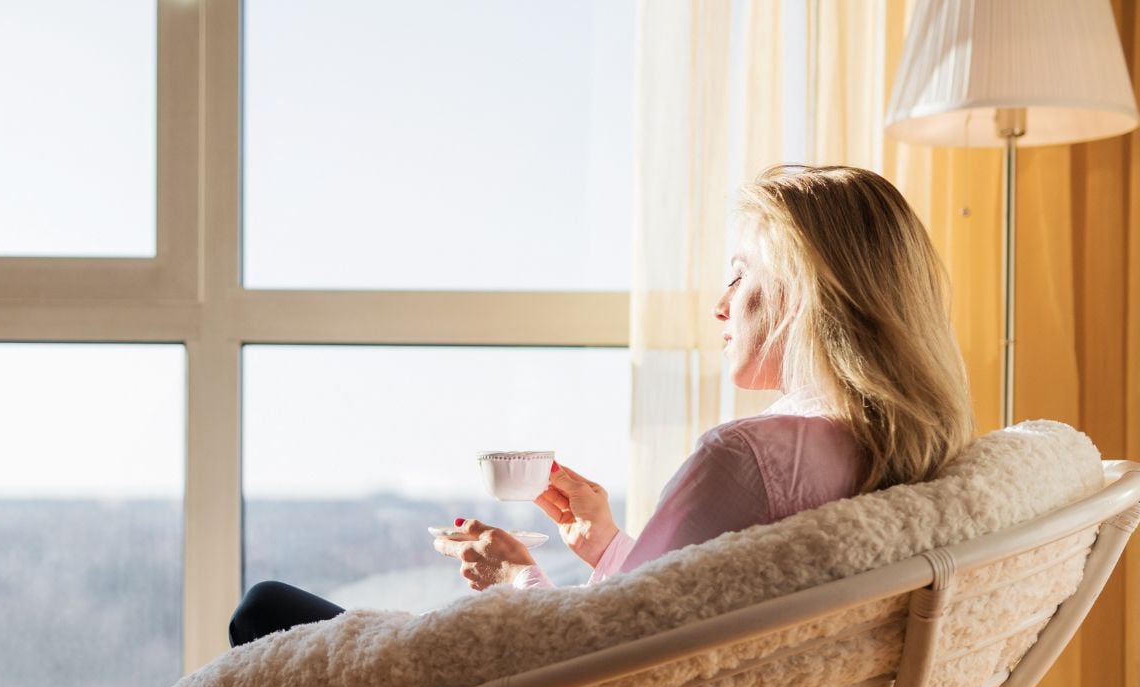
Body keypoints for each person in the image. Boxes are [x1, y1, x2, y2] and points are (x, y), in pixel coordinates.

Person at [229, 164, 974, 647]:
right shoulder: (884, 458)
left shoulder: (749, 457)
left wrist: (516, 577)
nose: (719, 306)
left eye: (740, 275)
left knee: (264, 611)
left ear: (804, 293)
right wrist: (605, 547)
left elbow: (599, 657)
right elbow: (662, 616)